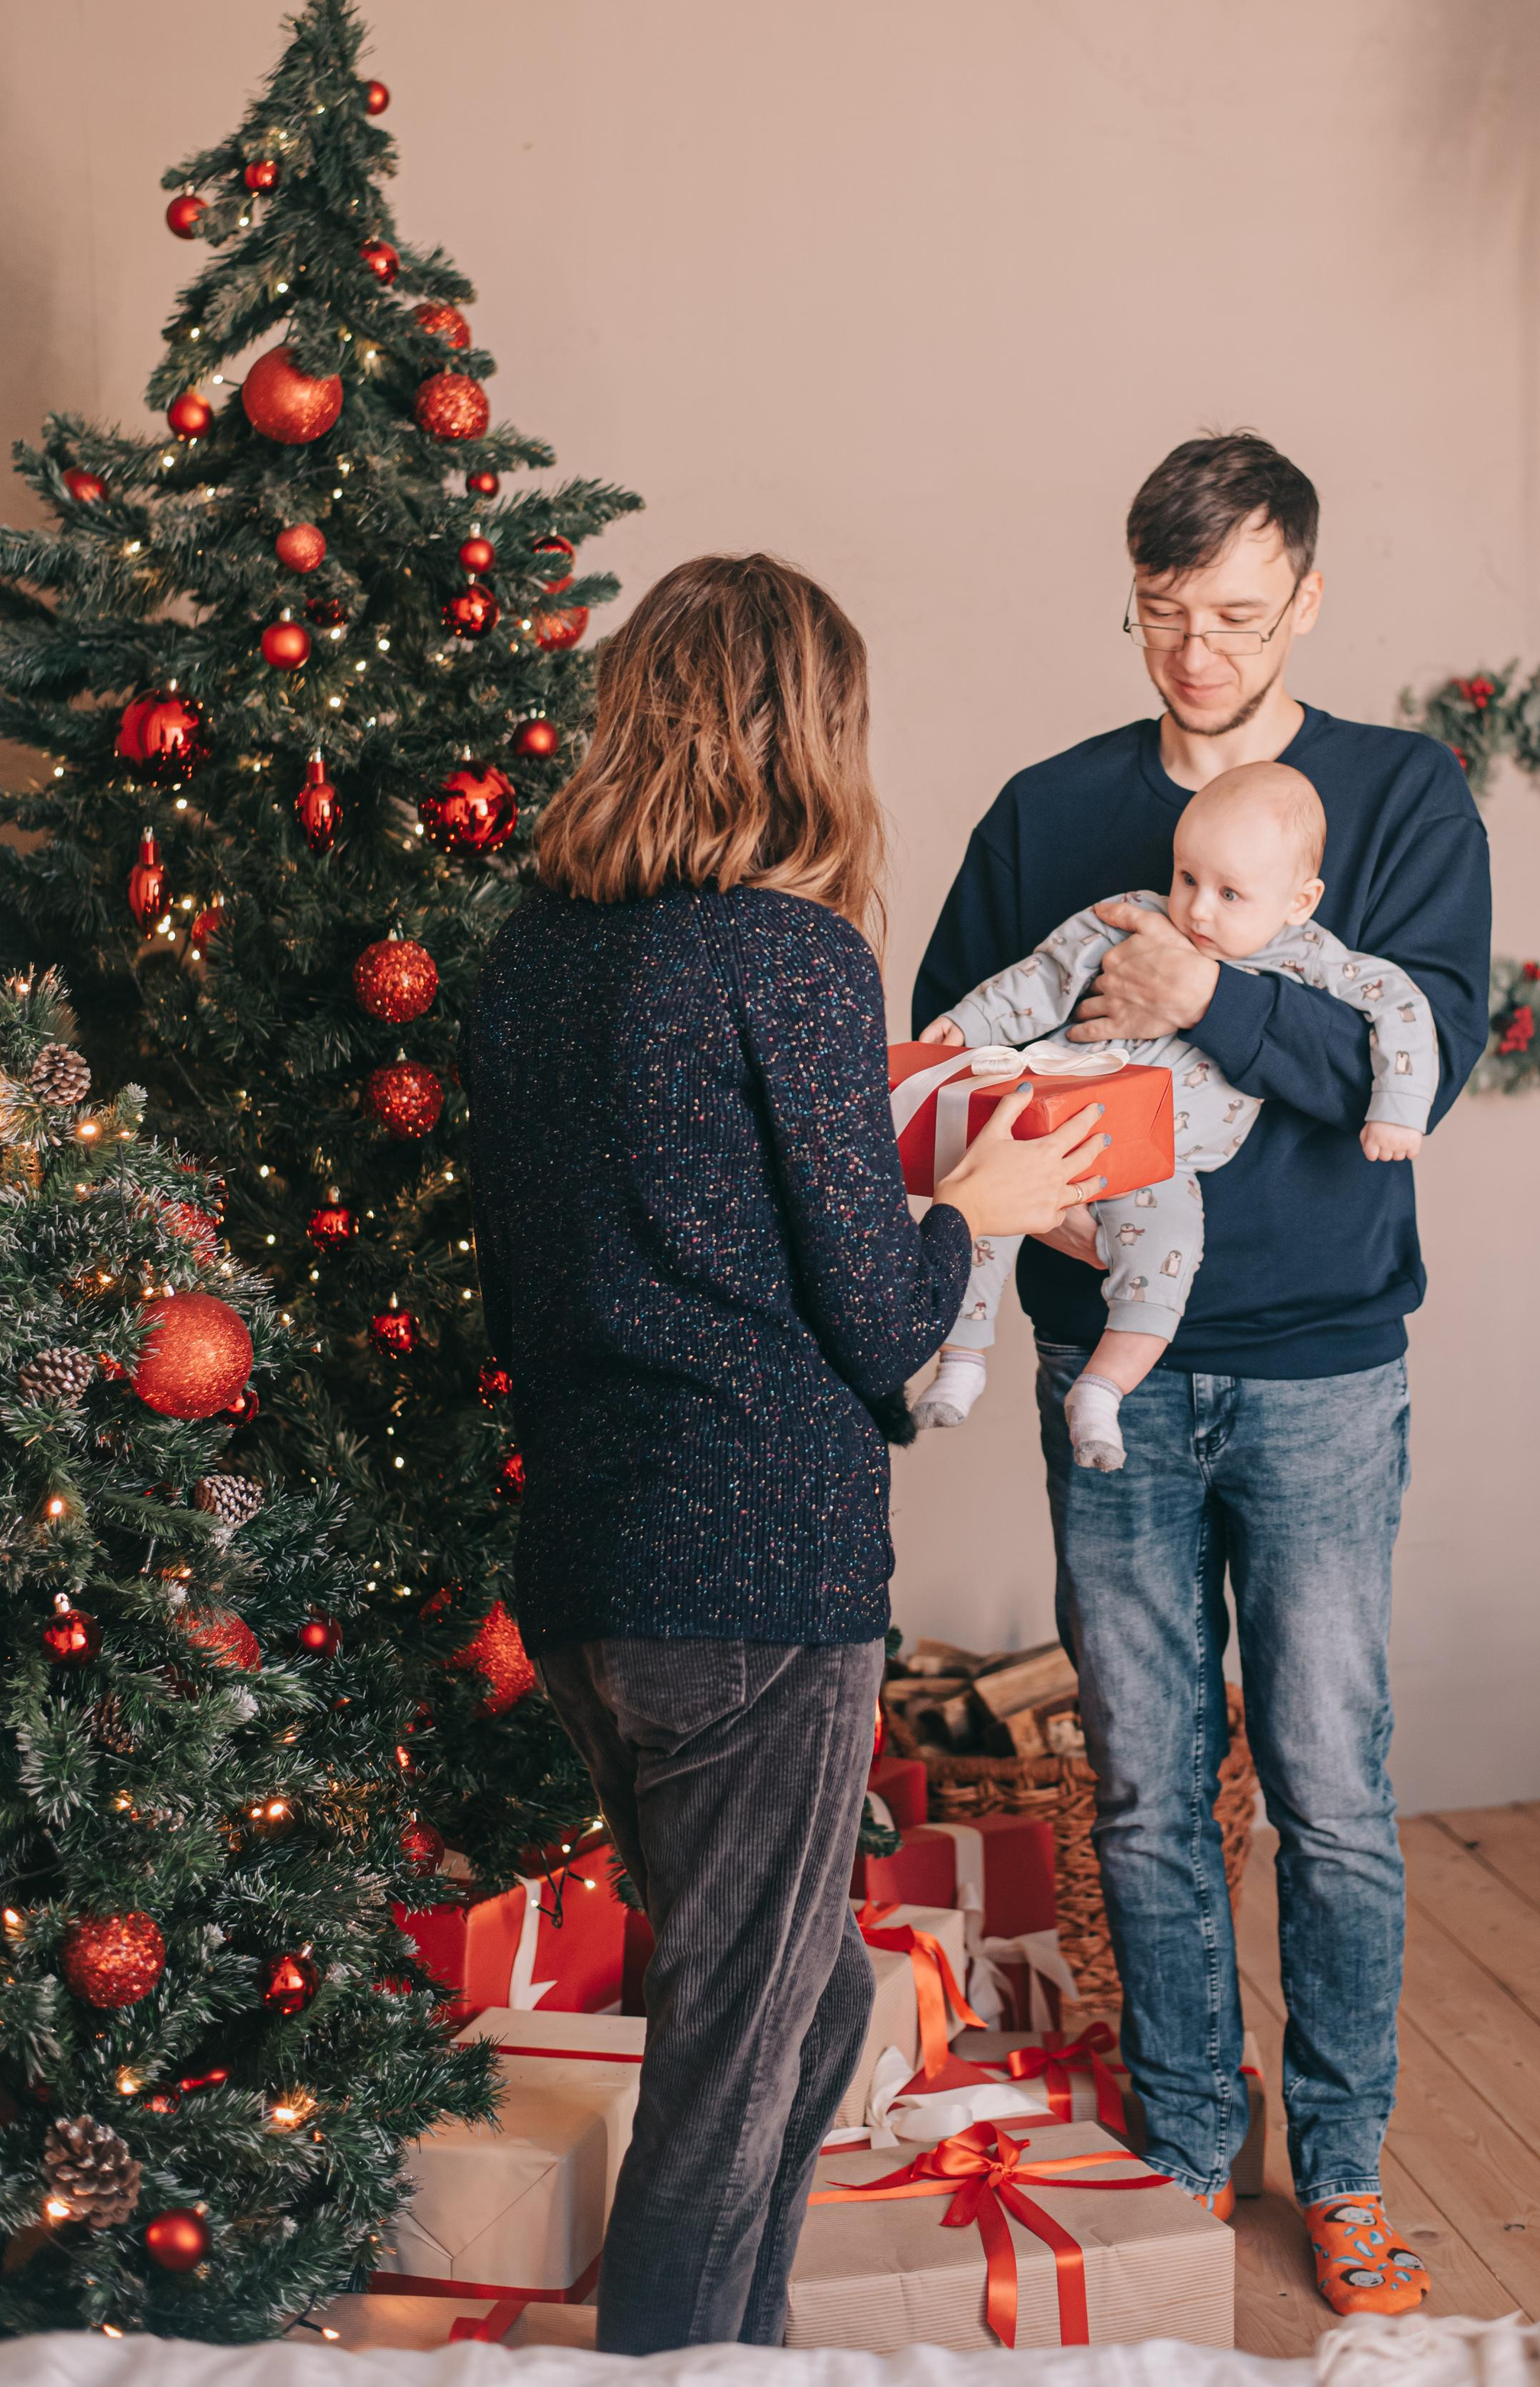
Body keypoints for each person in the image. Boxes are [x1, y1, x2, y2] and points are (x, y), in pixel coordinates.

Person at [467, 552, 1109, 2356]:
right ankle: (680, 2355)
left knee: (797, 1995)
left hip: (590, 1578)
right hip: (756, 1582)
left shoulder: (524, 961)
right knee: (730, 2071)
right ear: (805, 732)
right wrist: (976, 1203)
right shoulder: (788, 951)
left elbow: (515, 1302)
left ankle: (732, 2341)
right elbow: (885, 1321)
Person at [913, 432, 1491, 2319]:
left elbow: (1418, 1067)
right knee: (1147, 1787)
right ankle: (1178, 2139)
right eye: (1161, 617)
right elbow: (939, 1058)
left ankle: (1335, 2165)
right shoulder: (1046, 809)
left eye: (1234, 616)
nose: (1194, 651)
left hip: (1322, 1370)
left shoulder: (1397, 799)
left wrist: (1210, 997)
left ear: (1304, 600)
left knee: (1327, 1781)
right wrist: (1031, 1197)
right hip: (1113, 1367)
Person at [914, 759, 1439, 1472]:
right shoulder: (1136, 915)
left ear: (1299, 899)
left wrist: (1397, 1111)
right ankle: (962, 1356)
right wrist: (965, 1023)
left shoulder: (1308, 955)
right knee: (978, 1208)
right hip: (1062, 1119)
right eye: (1188, 878)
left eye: (1231, 894)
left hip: (1163, 1159)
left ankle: (1102, 1390)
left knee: (1169, 1250)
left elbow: (1402, 1004)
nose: (1197, 911)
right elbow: (1043, 976)